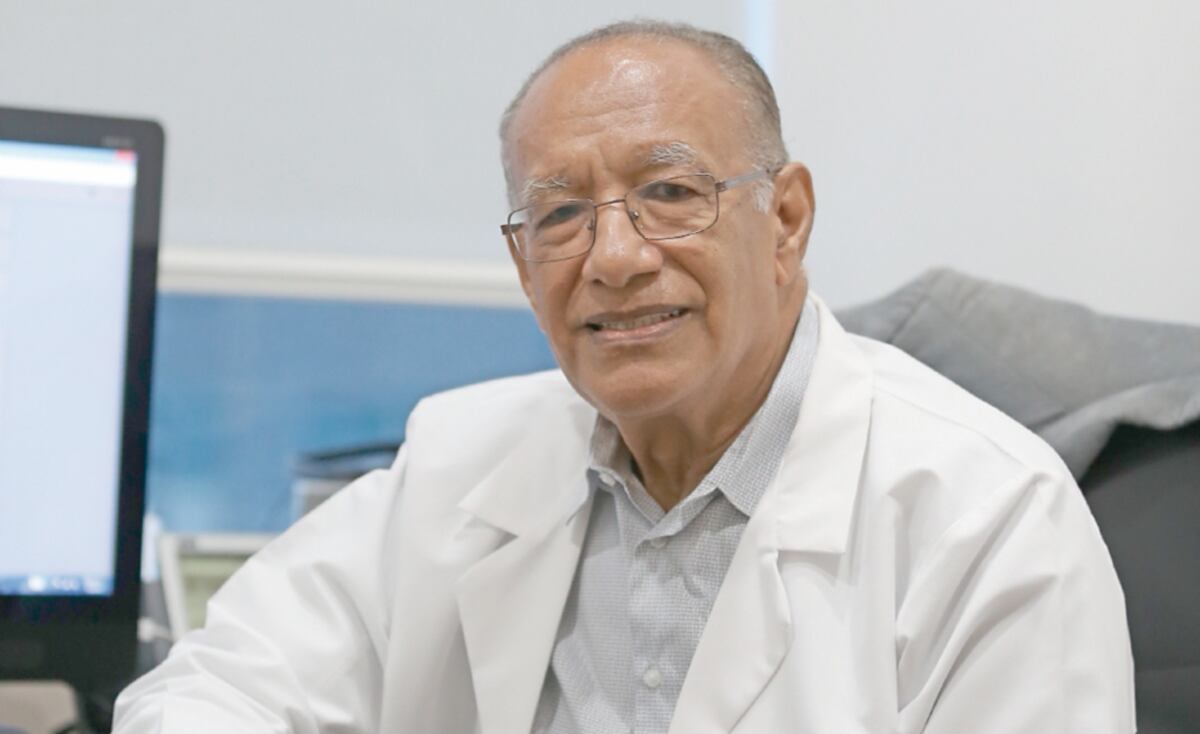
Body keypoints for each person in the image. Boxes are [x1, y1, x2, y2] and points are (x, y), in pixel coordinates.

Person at [114, 20, 1135, 734]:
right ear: (523, 264)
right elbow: (209, 686)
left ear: (785, 221)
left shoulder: (988, 518)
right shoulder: (461, 465)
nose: (613, 256)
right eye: (560, 214)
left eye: (670, 192)